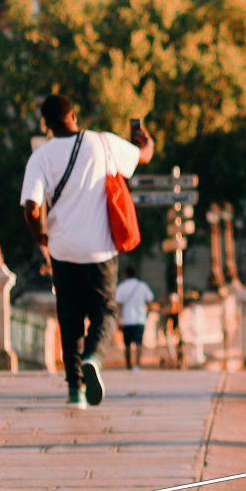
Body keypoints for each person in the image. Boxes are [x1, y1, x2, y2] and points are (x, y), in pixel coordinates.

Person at [20, 95, 153, 406]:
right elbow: (144, 156)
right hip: (100, 250)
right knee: (105, 310)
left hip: (62, 249)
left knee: (69, 317)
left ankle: (75, 390)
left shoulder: (40, 157)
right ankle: (94, 356)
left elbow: (30, 206)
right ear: (74, 115)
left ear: (46, 125)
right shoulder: (102, 143)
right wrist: (144, 138)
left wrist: (40, 234)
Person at [114, 272, 155, 370]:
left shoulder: (121, 287)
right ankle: (137, 364)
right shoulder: (142, 286)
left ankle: (128, 365)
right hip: (140, 319)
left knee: (127, 344)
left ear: (125, 275)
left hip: (126, 319)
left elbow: (119, 305)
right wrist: (147, 313)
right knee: (139, 343)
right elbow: (150, 301)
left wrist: (118, 319)